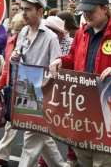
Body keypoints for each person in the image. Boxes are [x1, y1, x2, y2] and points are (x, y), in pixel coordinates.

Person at [49, 0, 111, 167]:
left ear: (105, 8)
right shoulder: (82, 33)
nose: (86, 14)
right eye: (84, 11)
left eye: (91, 10)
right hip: (82, 107)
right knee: (83, 153)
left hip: (108, 109)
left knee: (103, 162)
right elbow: (73, 57)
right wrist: (61, 61)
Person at [11, 0, 64, 167]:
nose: (23, 13)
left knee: (30, 142)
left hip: (43, 97)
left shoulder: (51, 37)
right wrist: (15, 56)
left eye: (27, 9)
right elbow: (16, 60)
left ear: (40, 11)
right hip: (25, 93)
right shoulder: (24, 32)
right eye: (21, 9)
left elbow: (57, 69)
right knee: (42, 137)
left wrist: (44, 87)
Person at [0, 14, 26, 167]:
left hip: (27, 87)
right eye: (14, 31)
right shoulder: (10, 42)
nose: (16, 34)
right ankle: (1, 154)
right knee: (12, 121)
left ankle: (1, 154)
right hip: (12, 87)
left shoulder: (31, 42)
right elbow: (6, 68)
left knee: (34, 129)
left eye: (20, 31)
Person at [38, 16, 77, 167]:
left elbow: (73, 64)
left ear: (60, 33)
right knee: (46, 124)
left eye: (51, 30)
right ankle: (44, 160)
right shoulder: (44, 41)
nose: (47, 33)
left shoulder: (71, 44)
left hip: (68, 90)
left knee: (68, 124)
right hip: (48, 88)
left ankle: (72, 157)